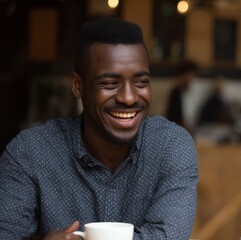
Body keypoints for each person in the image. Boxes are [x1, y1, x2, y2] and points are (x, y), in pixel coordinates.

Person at [0, 17, 198, 240]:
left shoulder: (170, 146)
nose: (129, 97)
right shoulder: (30, 153)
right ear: (78, 86)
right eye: (110, 83)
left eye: (141, 82)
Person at [165, 61, 198, 133]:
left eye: (192, 75)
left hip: (194, 128)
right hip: (178, 129)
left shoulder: (194, 93)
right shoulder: (175, 92)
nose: (189, 78)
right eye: (187, 75)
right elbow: (172, 116)